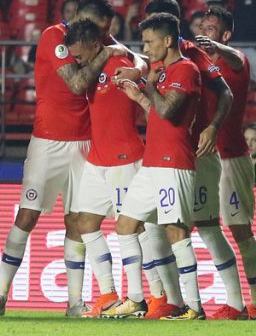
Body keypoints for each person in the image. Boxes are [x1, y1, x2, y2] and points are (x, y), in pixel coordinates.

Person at [0, 0, 140, 318]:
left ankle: (75, 303)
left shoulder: (101, 40)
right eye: (100, 31)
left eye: (106, 34)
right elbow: (78, 84)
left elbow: (138, 59)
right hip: (48, 142)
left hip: (85, 145)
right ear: (81, 20)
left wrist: (133, 64)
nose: (103, 38)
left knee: (77, 223)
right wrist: (110, 52)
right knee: (27, 216)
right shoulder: (54, 36)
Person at [141, 0, 238, 321]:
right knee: (154, 226)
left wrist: (213, 127)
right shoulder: (154, 57)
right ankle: (171, 300)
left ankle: (235, 304)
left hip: (198, 151)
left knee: (207, 227)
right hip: (167, 153)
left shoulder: (191, 54)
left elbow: (225, 92)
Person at [105, 12, 204, 320]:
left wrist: (145, 84)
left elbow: (171, 111)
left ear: (167, 40)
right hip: (152, 162)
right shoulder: (161, 71)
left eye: (149, 42)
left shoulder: (185, 70)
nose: (145, 49)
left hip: (174, 162)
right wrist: (140, 97)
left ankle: (195, 307)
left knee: (175, 230)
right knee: (125, 225)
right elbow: (156, 114)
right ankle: (136, 298)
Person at [64, 19, 144, 317]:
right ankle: (109, 295)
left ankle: (141, 298)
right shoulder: (94, 68)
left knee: (135, 230)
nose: (78, 63)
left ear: (96, 46)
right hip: (97, 160)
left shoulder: (122, 64)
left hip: (125, 159)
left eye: (81, 56)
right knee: (85, 223)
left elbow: (146, 72)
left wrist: (137, 69)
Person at [196, 8, 256, 320]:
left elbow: (238, 58)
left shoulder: (234, 61)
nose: (204, 32)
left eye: (211, 28)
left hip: (231, 156)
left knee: (240, 230)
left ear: (225, 35)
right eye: (202, 26)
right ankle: (232, 303)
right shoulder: (194, 63)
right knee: (203, 227)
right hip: (203, 157)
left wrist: (219, 49)